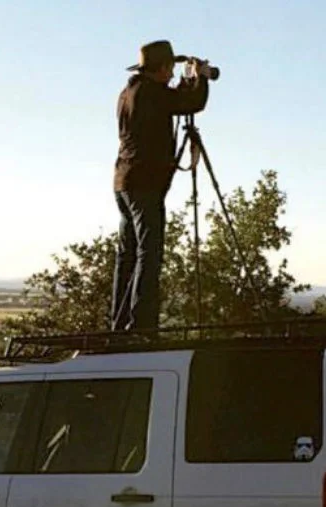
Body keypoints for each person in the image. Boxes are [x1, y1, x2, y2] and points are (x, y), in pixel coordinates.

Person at [112, 40, 210, 331]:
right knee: (148, 252)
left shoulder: (129, 92)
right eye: (171, 68)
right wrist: (200, 78)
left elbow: (171, 101)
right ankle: (141, 326)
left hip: (124, 181)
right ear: (163, 67)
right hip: (145, 183)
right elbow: (191, 103)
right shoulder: (152, 93)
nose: (172, 73)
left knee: (127, 253)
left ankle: (118, 323)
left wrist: (188, 81)